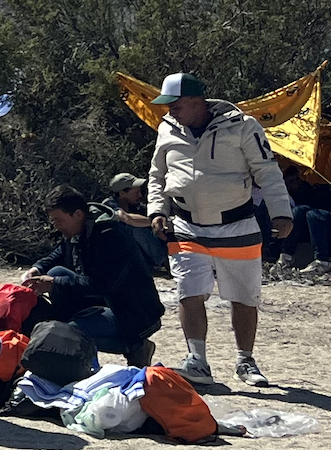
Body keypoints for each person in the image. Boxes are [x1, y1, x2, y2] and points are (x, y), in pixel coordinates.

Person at [147, 71, 294, 386]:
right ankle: (197, 361)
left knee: (244, 296)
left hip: (237, 225)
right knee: (188, 291)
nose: (170, 111)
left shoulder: (243, 126)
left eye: (175, 105)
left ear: (196, 101)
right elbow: (157, 174)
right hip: (185, 225)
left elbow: (268, 171)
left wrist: (282, 213)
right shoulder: (167, 128)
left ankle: (245, 360)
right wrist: (157, 210)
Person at [28, 187, 163, 365]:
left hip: (134, 313)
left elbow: (101, 284)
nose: (56, 226)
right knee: (56, 272)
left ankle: (136, 346)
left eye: (58, 220)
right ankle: (82, 322)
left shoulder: (110, 236)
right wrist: (38, 268)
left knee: (70, 334)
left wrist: (54, 284)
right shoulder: (82, 227)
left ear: (77, 214)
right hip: (109, 300)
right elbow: (61, 251)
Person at [101, 172, 171, 277]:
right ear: (122, 193)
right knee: (135, 228)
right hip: (119, 256)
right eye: (136, 192)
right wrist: (155, 222)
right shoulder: (109, 205)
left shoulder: (137, 207)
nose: (140, 195)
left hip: (142, 257)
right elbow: (126, 218)